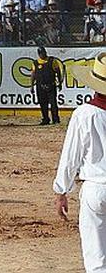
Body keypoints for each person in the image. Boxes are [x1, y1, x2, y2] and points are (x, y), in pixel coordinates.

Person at [53, 52, 106, 273]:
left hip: (95, 186)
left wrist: (61, 190)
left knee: (96, 259)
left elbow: (70, 156)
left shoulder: (84, 114)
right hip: (95, 185)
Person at [31, 46, 63, 125]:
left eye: (44, 52)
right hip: (40, 86)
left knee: (53, 103)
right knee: (42, 103)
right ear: (39, 54)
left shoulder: (52, 61)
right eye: (41, 53)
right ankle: (45, 119)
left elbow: (58, 71)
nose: (43, 54)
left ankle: (55, 119)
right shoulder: (35, 63)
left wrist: (59, 82)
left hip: (51, 85)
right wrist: (31, 86)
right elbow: (33, 75)